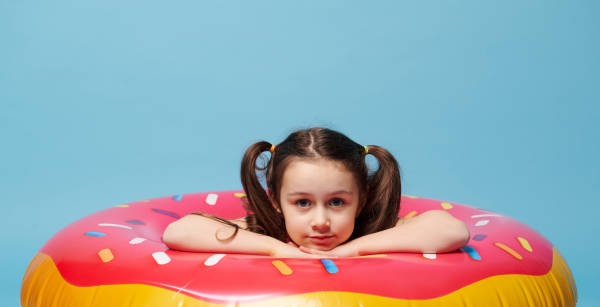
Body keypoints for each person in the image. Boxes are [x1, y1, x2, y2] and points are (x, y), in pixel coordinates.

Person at [162, 127, 469, 257]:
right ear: (277, 202)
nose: (320, 221)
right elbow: (179, 231)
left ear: (361, 200)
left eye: (337, 202)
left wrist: (352, 250)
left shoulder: (372, 230)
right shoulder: (268, 232)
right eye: (303, 203)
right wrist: (277, 250)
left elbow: (451, 230)